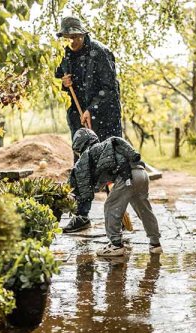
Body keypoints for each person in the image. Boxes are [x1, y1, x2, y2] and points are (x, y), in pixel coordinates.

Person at [55, 16, 122, 233]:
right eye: (68, 37)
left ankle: (118, 213)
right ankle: (82, 215)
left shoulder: (100, 53)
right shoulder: (66, 55)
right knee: (82, 164)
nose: (72, 41)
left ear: (83, 34)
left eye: (76, 36)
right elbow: (60, 75)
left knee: (110, 162)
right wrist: (64, 83)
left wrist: (91, 109)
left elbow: (110, 88)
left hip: (104, 118)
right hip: (79, 119)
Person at [69, 128, 162, 256]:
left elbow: (83, 179)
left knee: (110, 206)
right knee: (144, 209)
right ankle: (155, 243)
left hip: (127, 177)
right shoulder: (105, 147)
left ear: (79, 146)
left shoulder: (87, 154)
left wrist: (83, 196)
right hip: (141, 173)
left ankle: (115, 245)